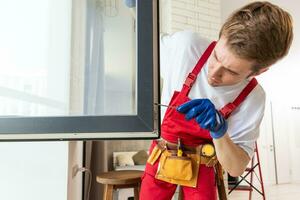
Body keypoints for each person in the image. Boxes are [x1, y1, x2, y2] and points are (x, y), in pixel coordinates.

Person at [140, 1, 293, 200]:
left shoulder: (253, 97)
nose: (214, 73)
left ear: (260, 71)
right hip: (161, 154)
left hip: (204, 162)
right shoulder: (187, 46)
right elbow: (144, 41)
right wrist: (135, 9)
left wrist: (220, 133)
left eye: (230, 71)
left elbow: (236, 168)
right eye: (216, 57)